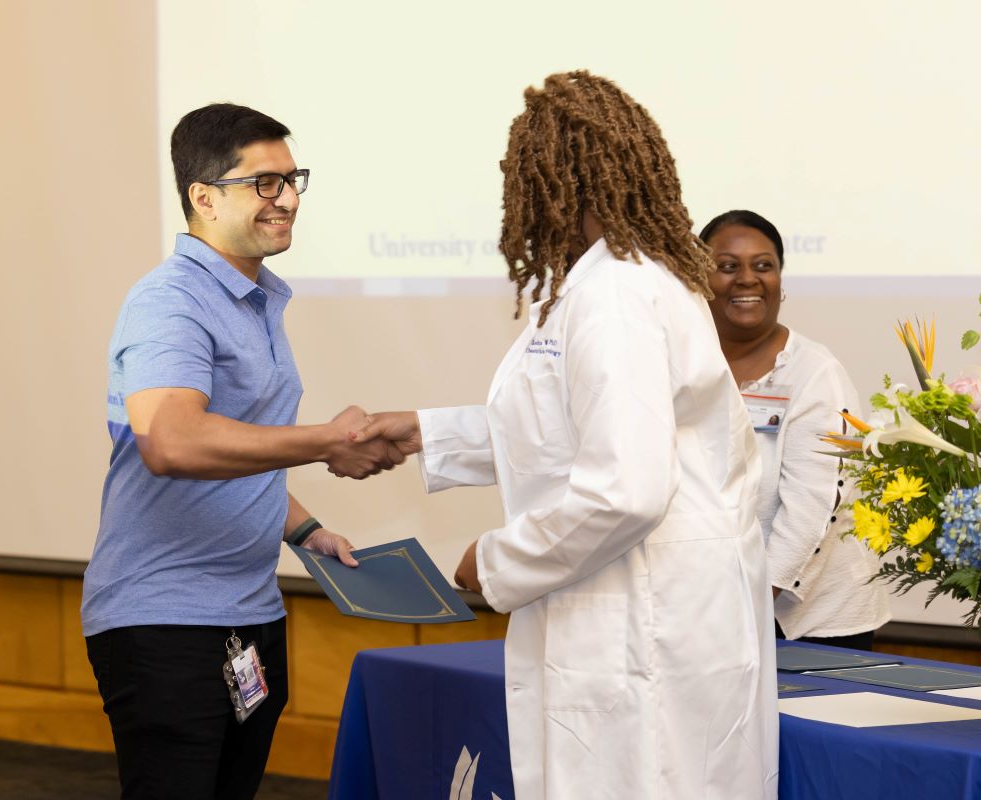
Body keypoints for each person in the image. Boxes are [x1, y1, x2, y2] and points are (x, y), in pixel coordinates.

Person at [354, 72, 777, 799]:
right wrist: (425, 433)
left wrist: (496, 561)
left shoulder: (615, 295)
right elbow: (564, 430)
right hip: (647, 615)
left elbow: (626, 490)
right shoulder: (617, 282)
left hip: (645, 626)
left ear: (552, 179)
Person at [81, 103, 400, 800]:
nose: (286, 198)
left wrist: (305, 529)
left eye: (292, 180)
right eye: (264, 182)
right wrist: (326, 441)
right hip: (166, 621)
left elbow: (235, 445)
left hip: (249, 615)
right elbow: (170, 439)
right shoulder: (171, 301)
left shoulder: (255, 298)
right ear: (203, 196)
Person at [699, 209, 890, 649]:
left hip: (812, 620)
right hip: (714, 609)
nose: (747, 279)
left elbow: (812, 510)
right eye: (727, 267)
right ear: (699, 280)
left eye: (763, 266)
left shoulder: (814, 372)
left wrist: (746, 611)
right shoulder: (686, 366)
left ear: (780, 282)